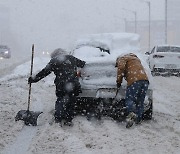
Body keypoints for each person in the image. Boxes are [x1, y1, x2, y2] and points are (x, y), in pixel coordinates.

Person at [28, 48, 86, 126]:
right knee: (71, 102)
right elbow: (83, 64)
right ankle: (68, 119)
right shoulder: (71, 58)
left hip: (61, 85)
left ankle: (58, 119)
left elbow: (44, 72)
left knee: (60, 101)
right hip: (73, 84)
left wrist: (33, 79)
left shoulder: (54, 61)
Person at [115, 53, 149, 128]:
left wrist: (118, 82)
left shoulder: (122, 58)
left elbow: (121, 69)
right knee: (140, 101)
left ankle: (131, 113)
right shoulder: (136, 59)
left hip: (135, 80)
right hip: (145, 80)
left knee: (130, 98)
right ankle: (138, 118)